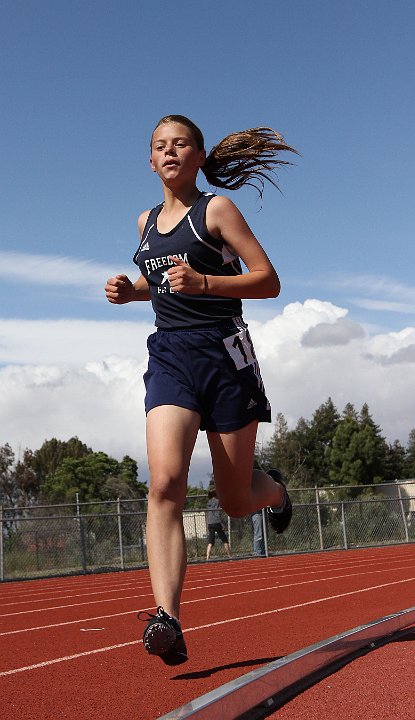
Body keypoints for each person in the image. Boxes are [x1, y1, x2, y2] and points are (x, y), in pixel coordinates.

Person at [105, 114, 295, 665]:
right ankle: (166, 618)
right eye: (160, 146)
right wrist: (131, 291)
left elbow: (268, 279)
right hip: (170, 356)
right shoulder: (144, 222)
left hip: (224, 355)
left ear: (197, 154)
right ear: (150, 160)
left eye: (180, 144)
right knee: (165, 481)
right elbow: (162, 282)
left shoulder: (216, 210)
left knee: (237, 503)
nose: (170, 152)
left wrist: (208, 281)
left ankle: (274, 492)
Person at [205, 488, 232, 560]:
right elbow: (218, 514)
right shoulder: (218, 502)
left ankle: (207, 558)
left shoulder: (208, 502)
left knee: (210, 542)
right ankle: (230, 557)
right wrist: (222, 524)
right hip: (217, 522)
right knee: (225, 540)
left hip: (210, 523)